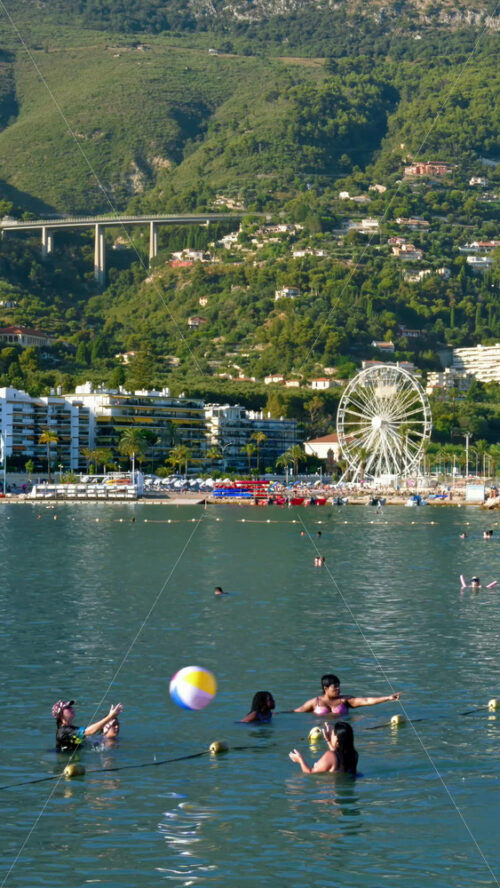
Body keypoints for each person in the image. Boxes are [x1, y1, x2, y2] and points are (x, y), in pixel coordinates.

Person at [294, 673, 400, 715]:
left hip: (342, 731)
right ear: (325, 688)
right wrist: (278, 714)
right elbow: (297, 711)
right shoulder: (314, 702)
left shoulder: (345, 700)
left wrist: (388, 698)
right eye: (335, 686)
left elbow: (366, 701)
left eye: (338, 685)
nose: (338, 688)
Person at [289, 721, 358, 775]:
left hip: (330, 790)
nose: (331, 734)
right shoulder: (354, 755)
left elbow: (309, 773)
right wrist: (328, 740)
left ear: (337, 741)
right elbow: (338, 758)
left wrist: (300, 760)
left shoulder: (330, 755)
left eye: (332, 734)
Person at [52, 700, 123, 752]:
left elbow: (89, 735)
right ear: (60, 714)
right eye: (68, 708)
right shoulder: (63, 732)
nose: (71, 708)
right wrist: (110, 717)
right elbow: (89, 731)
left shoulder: (72, 729)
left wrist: (105, 735)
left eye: (71, 707)